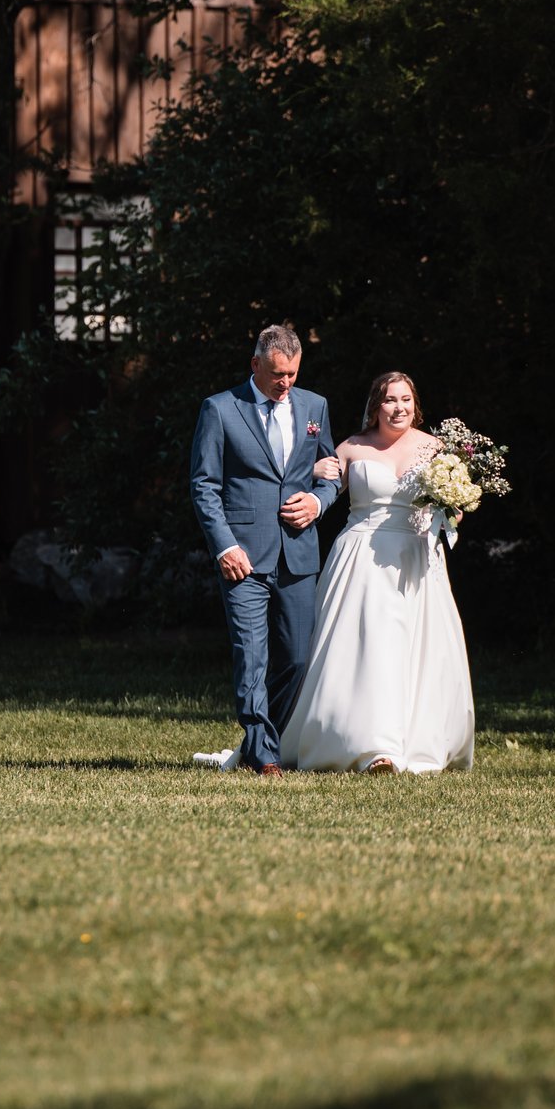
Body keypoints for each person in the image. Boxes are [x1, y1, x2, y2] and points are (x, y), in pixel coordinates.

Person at [281, 372, 475, 774]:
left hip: (416, 559)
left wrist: (455, 502)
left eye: (405, 399)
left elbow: (453, 507)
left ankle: (417, 742)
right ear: (376, 405)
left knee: (416, 649)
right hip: (361, 560)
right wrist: (315, 475)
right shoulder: (351, 447)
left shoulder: (436, 448)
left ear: (414, 404)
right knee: (369, 650)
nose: (398, 407)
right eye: (390, 400)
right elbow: (319, 485)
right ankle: (370, 745)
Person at [188, 324, 346, 775]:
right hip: (243, 557)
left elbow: (330, 472)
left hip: (298, 555)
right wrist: (224, 547)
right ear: (255, 365)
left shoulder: (315, 406)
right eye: (278, 374)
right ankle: (264, 755)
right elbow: (204, 486)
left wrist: (318, 501)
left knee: (296, 658)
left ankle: (260, 740)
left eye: (293, 374)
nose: (286, 384)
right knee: (251, 657)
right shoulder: (220, 409)